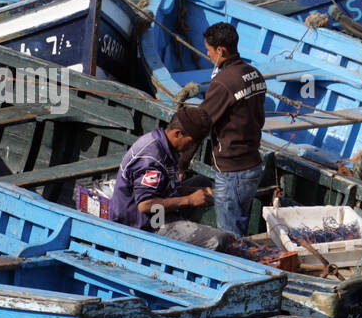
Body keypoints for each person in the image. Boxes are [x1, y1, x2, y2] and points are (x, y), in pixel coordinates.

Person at [110, 107, 238, 253]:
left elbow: (166, 186)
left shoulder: (164, 143)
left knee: (203, 183)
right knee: (218, 239)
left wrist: (196, 192)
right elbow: (145, 206)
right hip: (145, 224)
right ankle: (185, 241)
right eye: (192, 143)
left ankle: (187, 230)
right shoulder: (151, 158)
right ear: (178, 134)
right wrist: (190, 200)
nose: (193, 148)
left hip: (158, 210)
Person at [199, 21, 267, 239]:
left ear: (221, 50)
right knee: (240, 226)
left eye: (209, 50)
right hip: (253, 165)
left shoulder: (222, 83)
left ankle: (235, 269)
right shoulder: (254, 74)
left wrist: (181, 163)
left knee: (229, 237)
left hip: (231, 172)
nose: (207, 54)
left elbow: (201, 121)